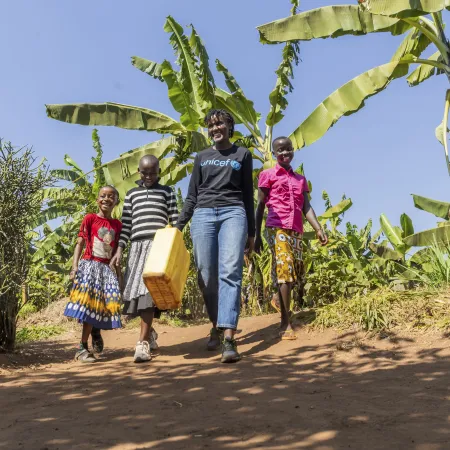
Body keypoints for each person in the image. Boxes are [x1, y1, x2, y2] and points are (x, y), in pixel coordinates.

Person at [176, 109, 255, 364]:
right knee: (206, 274)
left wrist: (252, 232)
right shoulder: (202, 157)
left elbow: (247, 195)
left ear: (229, 126)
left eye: (220, 123)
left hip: (233, 212)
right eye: (211, 125)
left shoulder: (242, 154)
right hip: (203, 215)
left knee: (230, 270)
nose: (215, 128)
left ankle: (229, 338)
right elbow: (191, 196)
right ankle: (216, 326)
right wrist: (176, 228)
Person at [255, 137, 328, 340]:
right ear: (274, 153)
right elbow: (260, 206)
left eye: (288, 149)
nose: (285, 153)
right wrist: (256, 235)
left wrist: (319, 228)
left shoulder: (300, 180)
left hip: (296, 228)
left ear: (293, 151)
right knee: (285, 268)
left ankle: (278, 298)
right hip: (275, 227)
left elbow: (306, 207)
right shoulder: (266, 175)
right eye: (280, 150)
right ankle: (285, 323)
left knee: (294, 270)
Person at [110, 155, 179, 363]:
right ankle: (150, 333)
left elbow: (175, 221)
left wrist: (174, 250)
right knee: (139, 295)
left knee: (149, 293)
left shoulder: (167, 192)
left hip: (159, 246)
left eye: (153, 172)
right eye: (145, 172)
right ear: (138, 172)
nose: (149, 176)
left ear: (159, 172)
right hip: (137, 247)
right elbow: (127, 226)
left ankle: (142, 344)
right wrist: (120, 250)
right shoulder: (131, 195)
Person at [64, 186, 122, 362]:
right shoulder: (90, 218)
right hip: (89, 266)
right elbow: (80, 244)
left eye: (110, 196)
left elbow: (117, 253)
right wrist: (74, 268)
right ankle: (81, 348)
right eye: (102, 196)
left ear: (116, 201)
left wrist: (120, 276)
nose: (106, 199)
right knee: (89, 307)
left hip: (105, 270)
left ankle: (95, 331)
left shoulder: (117, 225)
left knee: (104, 307)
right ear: (97, 200)